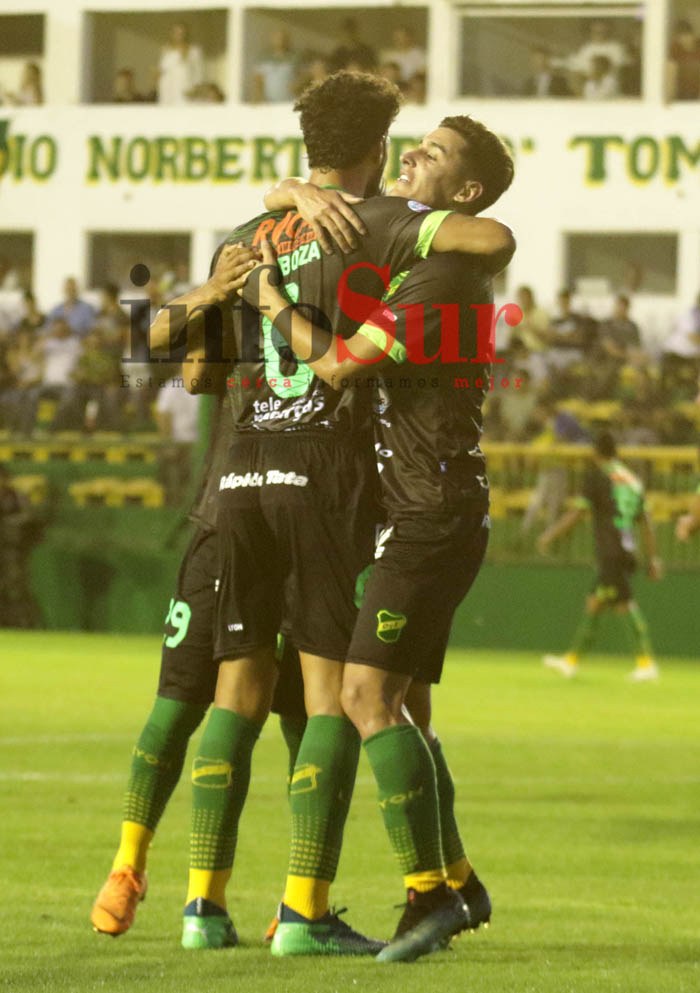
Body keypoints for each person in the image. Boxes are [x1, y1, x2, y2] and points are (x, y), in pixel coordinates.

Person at [193, 80, 514, 958]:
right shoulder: (399, 246)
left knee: (365, 695)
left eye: (432, 152)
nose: (411, 155)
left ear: (463, 191)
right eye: (409, 143)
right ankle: (458, 880)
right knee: (409, 706)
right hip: (415, 503)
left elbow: (335, 366)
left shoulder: (439, 270)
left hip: (428, 508)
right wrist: (295, 191)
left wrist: (270, 299)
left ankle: (428, 896)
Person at [538, 431, 662, 681]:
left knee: (625, 604)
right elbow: (646, 522)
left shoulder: (597, 477)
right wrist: (653, 558)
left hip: (610, 550)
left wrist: (550, 535)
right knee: (595, 604)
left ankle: (646, 664)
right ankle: (571, 662)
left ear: (595, 453)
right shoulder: (632, 480)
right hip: (627, 548)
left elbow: (578, 513)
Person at [157, 22, 204, 104]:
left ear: (186, 34)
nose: (179, 36)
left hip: (186, 88)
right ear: (172, 34)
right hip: (168, 89)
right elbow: (161, 69)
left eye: (181, 33)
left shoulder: (194, 51)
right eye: (176, 33)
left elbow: (199, 73)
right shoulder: (166, 50)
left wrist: (195, 88)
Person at [251, 29, 297, 103]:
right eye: (277, 38)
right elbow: (258, 80)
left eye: (283, 38)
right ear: (272, 39)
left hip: (288, 102)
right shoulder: (263, 58)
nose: (280, 41)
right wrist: (257, 99)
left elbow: (304, 76)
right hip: (269, 103)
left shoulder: (295, 58)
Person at [380, 25, 426, 89]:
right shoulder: (389, 56)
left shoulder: (420, 54)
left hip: (412, 87)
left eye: (403, 37)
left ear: (410, 37)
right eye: (397, 37)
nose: (400, 40)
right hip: (393, 87)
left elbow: (421, 74)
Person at [666, 20, 700, 102]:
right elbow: (671, 72)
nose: (684, 40)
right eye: (680, 37)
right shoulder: (675, 49)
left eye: (686, 36)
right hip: (681, 95)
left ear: (692, 35)